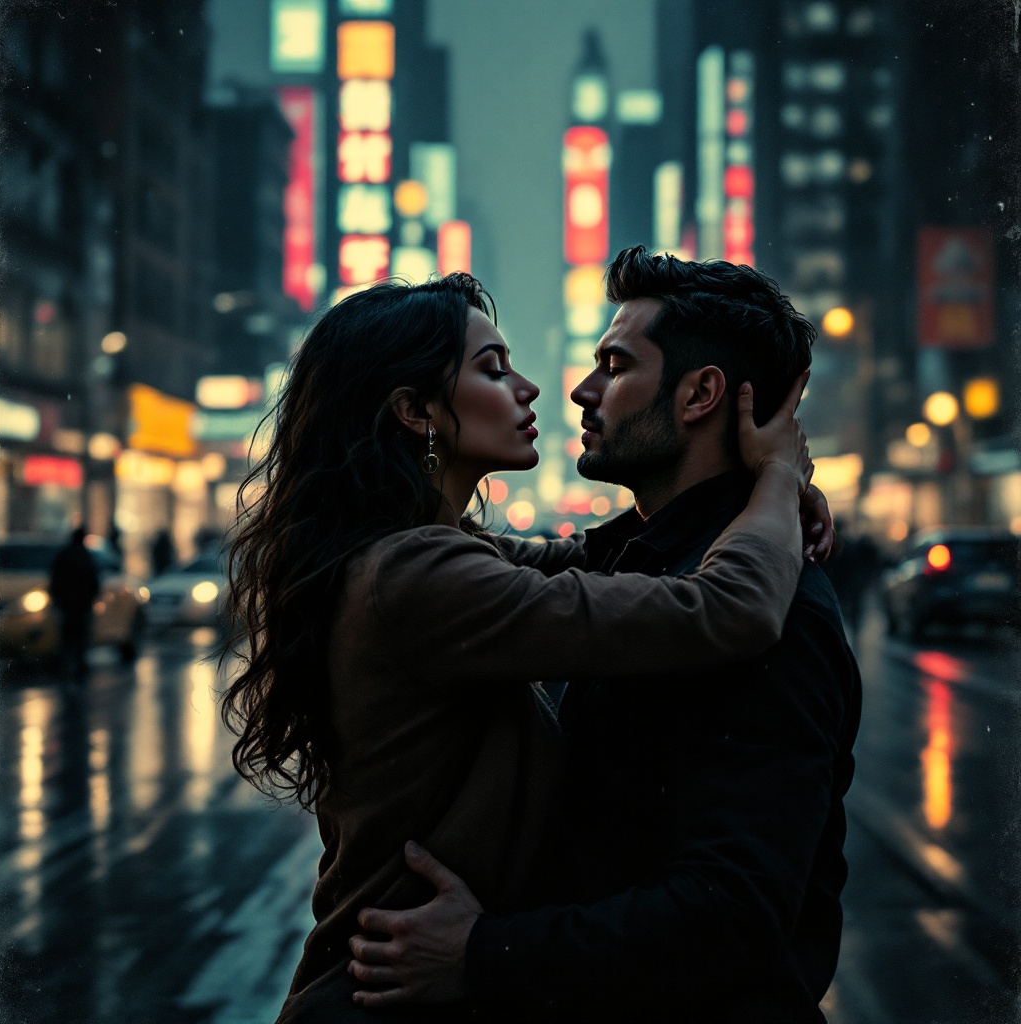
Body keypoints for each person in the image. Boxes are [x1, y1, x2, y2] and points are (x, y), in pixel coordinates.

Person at [221, 274, 828, 1024]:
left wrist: (763, 509)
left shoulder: (430, 556)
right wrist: (774, 481)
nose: (543, 388)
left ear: (701, 395)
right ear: (414, 411)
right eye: (493, 368)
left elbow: (598, 560)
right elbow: (728, 606)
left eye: (613, 365)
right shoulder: (417, 576)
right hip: (386, 998)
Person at [48, 525, 100, 678]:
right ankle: (78, 666)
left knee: (67, 638)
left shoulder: (64, 555)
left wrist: (57, 599)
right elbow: (93, 581)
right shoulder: (85, 556)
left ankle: (65, 666)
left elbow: (55, 579)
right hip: (81, 605)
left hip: (67, 605)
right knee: (80, 637)